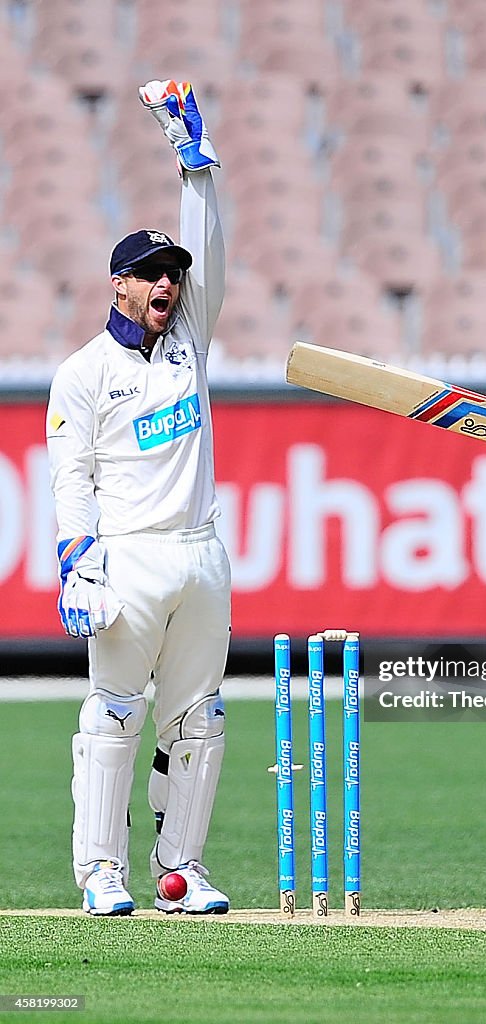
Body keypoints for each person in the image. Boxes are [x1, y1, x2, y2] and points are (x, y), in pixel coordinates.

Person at [46, 81, 231, 916]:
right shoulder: (85, 372)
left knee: (198, 719)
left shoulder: (189, 338)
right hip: (126, 556)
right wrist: (77, 559)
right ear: (119, 284)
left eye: (172, 274)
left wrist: (197, 172)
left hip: (200, 552)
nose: (168, 283)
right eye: (151, 274)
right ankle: (100, 872)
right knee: (114, 715)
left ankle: (181, 871)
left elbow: (212, 258)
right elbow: (70, 472)